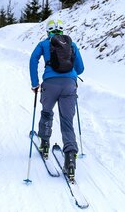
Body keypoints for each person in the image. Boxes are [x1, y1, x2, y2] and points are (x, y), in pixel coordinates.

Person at [29, 19, 84, 179]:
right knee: (67, 121)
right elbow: (80, 68)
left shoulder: (43, 44)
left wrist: (34, 83)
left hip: (50, 84)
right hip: (69, 85)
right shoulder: (71, 44)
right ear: (62, 30)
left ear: (48, 31)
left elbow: (33, 60)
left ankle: (44, 144)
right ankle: (70, 159)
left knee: (47, 112)